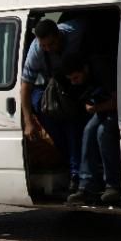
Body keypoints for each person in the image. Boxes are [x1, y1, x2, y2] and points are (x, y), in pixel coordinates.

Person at [20, 17, 87, 191]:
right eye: (44, 46)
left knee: (73, 121)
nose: (48, 49)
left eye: (51, 44)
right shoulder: (36, 50)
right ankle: (71, 164)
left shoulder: (74, 31)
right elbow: (26, 87)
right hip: (47, 88)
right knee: (45, 108)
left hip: (71, 84)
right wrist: (28, 122)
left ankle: (76, 174)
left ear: (59, 36)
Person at [62, 53, 121, 206]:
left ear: (85, 69)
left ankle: (113, 185)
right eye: (70, 79)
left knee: (103, 132)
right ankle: (86, 186)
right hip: (103, 108)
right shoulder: (82, 78)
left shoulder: (103, 71)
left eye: (76, 78)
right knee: (89, 131)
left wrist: (96, 107)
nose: (74, 82)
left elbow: (119, 101)